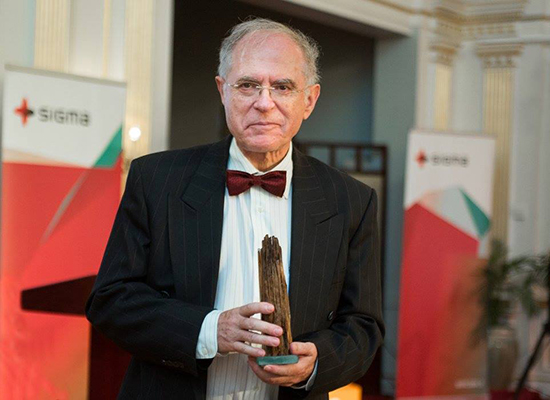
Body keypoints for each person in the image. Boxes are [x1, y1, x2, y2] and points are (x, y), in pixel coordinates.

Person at [86, 17, 384, 399]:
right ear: (222, 91)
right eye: (248, 85)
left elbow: (362, 326)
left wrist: (316, 363)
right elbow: (111, 300)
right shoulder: (156, 180)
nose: (264, 102)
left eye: (282, 87)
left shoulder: (351, 200)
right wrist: (210, 330)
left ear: (309, 100)